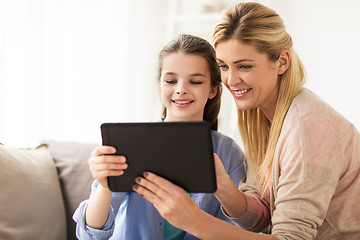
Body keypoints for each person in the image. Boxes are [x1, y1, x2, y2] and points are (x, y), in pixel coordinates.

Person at [133, 2, 360, 240]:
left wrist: (194, 220)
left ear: (282, 62)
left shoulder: (309, 128)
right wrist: (221, 186)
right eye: (223, 66)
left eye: (244, 66)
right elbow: (263, 216)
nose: (230, 80)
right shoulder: (261, 115)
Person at [73, 34, 246, 240]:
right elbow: (90, 235)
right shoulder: (131, 144)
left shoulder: (228, 153)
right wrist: (104, 185)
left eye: (195, 81)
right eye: (171, 80)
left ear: (213, 90)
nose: (181, 90)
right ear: (160, 86)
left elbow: (238, 230)